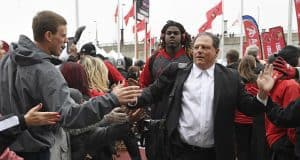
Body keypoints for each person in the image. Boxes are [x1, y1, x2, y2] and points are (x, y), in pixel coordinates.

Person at [0, 10, 141, 160]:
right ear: (48, 36)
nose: (66, 40)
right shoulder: (46, 70)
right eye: (62, 35)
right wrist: (112, 99)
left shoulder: (7, 61)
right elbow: (68, 117)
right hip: (36, 151)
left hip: (8, 146)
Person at [129, 32, 273, 160]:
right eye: (196, 47)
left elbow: (249, 108)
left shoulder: (231, 77)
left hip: (217, 153)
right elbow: (153, 92)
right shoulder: (177, 71)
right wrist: (132, 99)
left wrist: (263, 92)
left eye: (205, 47)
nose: (199, 51)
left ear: (216, 52)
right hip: (180, 150)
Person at [138, 20, 192, 160]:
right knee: (157, 153)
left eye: (176, 33)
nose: (172, 36)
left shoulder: (191, 58)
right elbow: (144, 84)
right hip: (157, 113)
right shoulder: (154, 59)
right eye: (169, 33)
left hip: (184, 113)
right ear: (163, 36)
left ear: (183, 36)